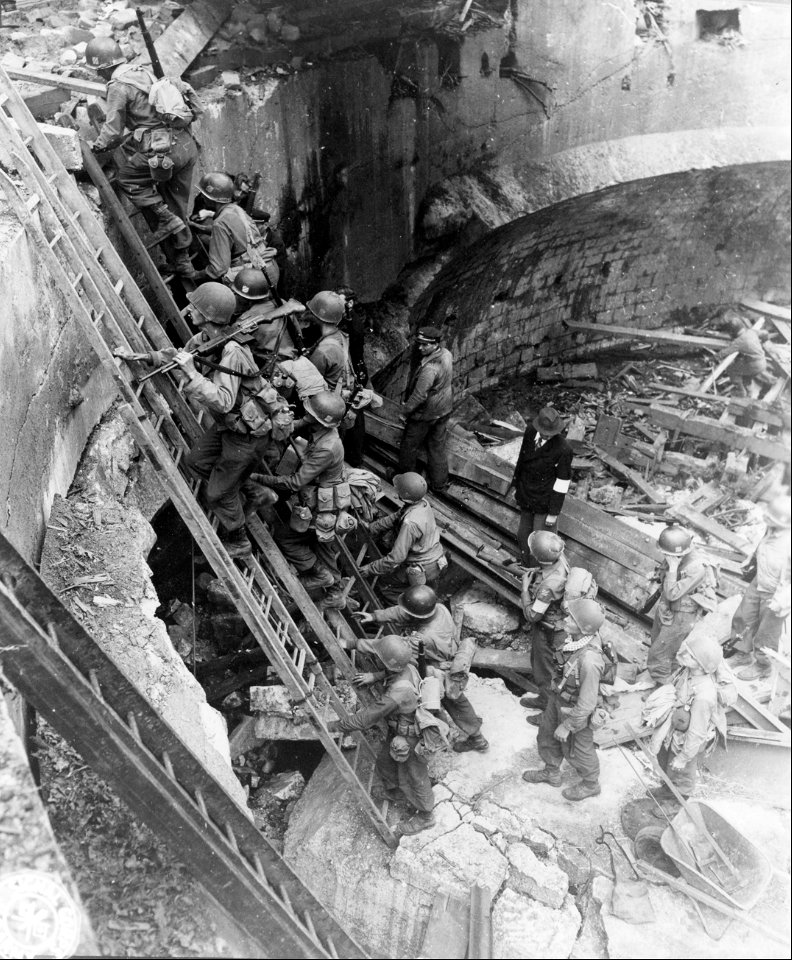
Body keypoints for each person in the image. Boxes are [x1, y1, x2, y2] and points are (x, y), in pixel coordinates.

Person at [127, 282, 288, 559]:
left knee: (215, 495)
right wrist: (149, 357)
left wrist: (192, 373)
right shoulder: (206, 338)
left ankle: (239, 540)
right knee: (196, 463)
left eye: (196, 307)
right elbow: (180, 354)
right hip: (230, 428)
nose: (189, 310)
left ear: (209, 315)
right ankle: (256, 492)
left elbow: (224, 399)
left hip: (247, 436)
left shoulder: (232, 352)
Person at [86, 37, 200, 278]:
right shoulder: (141, 72)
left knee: (128, 178)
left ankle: (165, 218)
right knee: (177, 203)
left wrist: (97, 146)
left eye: (98, 72)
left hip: (162, 149)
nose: (100, 77)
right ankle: (183, 264)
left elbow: (113, 128)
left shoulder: (117, 85)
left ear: (104, 67)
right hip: (185, 144)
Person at [354, 585, 488, 752]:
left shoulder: (422, 638)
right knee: (457, 701)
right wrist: (375, 616)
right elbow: (405, 612)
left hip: (437, 668)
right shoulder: (438, 608)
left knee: (441, 700)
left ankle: (469, 737)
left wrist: (355, 643)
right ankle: (473, 732)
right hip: (448, 652)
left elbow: (391, 649)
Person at [328, 635, 436, 835]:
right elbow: (393, 672)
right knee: (385, 762)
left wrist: (333, 725)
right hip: (401, 727)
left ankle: (426, 816)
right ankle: (395, 791)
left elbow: (366, 719)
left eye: (378, 656)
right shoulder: (408, 666)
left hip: (410, 736)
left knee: (414, 774)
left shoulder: (397, 693)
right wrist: (375, 677)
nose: (375, 658)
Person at [255, 391, 348, 606]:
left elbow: (296, 482)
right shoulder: (326, 428)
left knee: (287, 538)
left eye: (310, 416)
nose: (307, 417)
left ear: (320, 421)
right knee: (323, 544)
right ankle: (335, 593)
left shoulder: (327, 447)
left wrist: (260, 477)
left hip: (321, 503)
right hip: (327, 498)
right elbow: (302, 422)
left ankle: (319, 575)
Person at [522, 598, 608, 801]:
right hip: (558, 698)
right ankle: (551, 771)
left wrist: (568, 726)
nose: (565, 618)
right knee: (546, 733)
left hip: (576, 711)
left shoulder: (590, 660)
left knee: (578, 750)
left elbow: (587, 704)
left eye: (571, 617)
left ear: (584, 628)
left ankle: (590, 784)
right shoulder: (574, 640)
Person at [647, 633, 734, 804]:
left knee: (681, 773)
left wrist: (683, 757)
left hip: (687, 741)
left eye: (691, 656)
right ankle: (666, 789)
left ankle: (678, 802)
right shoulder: (687, 671)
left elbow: (696, 732)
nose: (684, 655)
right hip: (674, 731)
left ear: (702, 666)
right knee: (666, 763)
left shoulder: (704, 696)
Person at [726, 495, 791, 681]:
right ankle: (741, 652)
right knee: (743, 618)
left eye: (771, 518)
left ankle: (763, 665)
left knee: (767, 632)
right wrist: (751, 559)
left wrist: (785, 599)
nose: (766, 520)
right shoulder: (772, 529)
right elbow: (762, 545)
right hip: (760, 580)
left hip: (776, 591)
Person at [359, 472, 447, 603]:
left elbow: (396, 558)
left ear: (405, 496)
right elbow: (397, 516)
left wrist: (370, 569)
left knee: (387, 586)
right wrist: (372, 527)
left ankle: (403, 613)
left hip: (422, 567)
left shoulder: (410, 524)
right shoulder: (422, 503)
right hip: (436, 560)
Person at [646, 526, 717, 684]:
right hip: (668, 609)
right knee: (659, 643)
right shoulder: (676, 556)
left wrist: (672, 567)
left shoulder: (696, 567)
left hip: (682, 615)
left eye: (668, 555)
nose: (665, 556)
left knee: (659, 654)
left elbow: (673, 593)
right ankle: (668, 675)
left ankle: (663, 687)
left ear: (679, 553)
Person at [519, 531, 570, 726]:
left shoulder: (548, 586)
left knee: (546, 672)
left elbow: (533, 615)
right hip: (553, 625)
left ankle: (549, 715)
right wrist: (536, 571)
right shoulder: (559, 556)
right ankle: (543, 699)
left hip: (549, 631)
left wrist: (525, 590)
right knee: (538, 664)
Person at [510, 407, 573, 565]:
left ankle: (538, 573)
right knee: (523, 534)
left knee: (542, 543)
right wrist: (516, 485)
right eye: (544, 432)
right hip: (526, 493)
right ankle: (525, 566)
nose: (547, 435)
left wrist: (553, 512)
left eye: (550, 433)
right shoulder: (530, 431)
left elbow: (562, 483)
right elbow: (522, 459)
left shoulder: (563, 449)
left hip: (544, 501)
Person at [190, 173, 277, 284]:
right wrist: (198, 227)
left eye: (205, 195)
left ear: (212, 199)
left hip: (252, 278)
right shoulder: (235, 209)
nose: (202, 197)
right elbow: (231, 232)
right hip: (268, 267)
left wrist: (196, 274)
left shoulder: (220, 223)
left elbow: (219, 269)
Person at [398, 327, 453, 494]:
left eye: (424, 345)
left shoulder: (430, 369)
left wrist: (404, 412)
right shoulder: (447, 354)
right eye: (419, 344)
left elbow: (419, 396)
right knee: (437, 447)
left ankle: (407, 483)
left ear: (435, 344)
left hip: (426, 413)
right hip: (444, 408)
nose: (420, 348)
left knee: (409, 446)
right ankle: (439, 484)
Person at [231, 267, 299, 361]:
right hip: (292, 359)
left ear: (244, 298)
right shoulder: (284, 305)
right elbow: (298, 333)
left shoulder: (246, 318)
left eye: (237, 294)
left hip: (267, 365)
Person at [716, 315, 774, 397]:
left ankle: (740, 391)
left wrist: (713, 357)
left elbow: (725, 352)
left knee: (731, 369)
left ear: (732, 332)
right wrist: (763, 341)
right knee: (746, 378)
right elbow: (765, 333)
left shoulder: (739, 341)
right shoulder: (751, 332)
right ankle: (749, 395)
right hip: (762, 362)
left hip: (753, 365)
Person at [251, 208, 288, 297]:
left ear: (266, 225)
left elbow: (279, 270)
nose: (252, 229)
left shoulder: (276, 243)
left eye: (256, 226)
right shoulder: (251, 237)